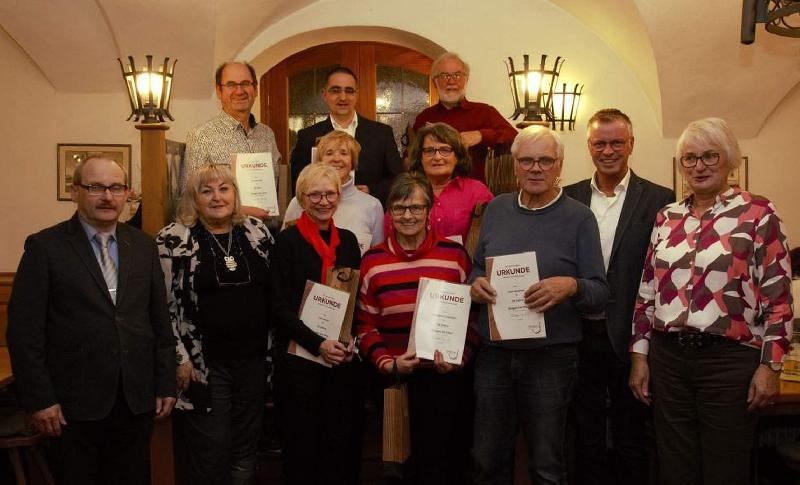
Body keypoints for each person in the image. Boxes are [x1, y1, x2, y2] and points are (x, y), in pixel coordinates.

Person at [629, 117, 793, 485]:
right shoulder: (666, 218)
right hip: (668, 360)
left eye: (710, 156)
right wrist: (639, 357)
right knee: (674, 466)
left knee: (725, 468)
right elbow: (646, 295)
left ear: (730, 160)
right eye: (689, 158)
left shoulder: (758, 214)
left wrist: (771, 367)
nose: (699, 166)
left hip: (729, 363)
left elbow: (779, 300)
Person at [6, 155, 176, 485]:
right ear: (75, 191)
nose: (108, 197)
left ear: (127, 193)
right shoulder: (45, 247)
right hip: (72, 406)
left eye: (116, 188)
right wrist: (41, 399)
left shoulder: (142, 245)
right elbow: (25, 332)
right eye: (96, 187)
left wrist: (164, 381)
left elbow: (159, 320)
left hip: (135, 400)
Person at [469, 125, 609, 484]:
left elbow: (599, 292)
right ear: (514, 165)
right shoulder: (496, 209)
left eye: (545, 160)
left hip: (552, 358)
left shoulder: (579, 217)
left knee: (547, 464)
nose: (536, 168)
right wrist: (475, 285)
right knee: (486, 460)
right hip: (495, 355)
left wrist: (571, 285)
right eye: (527, 160)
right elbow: (474, 268)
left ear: (559, 164)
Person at [563, 108, 674, 484]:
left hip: (630, 337)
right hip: (577, 333)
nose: (608, 150)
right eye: (599, 143)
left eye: (616, 143)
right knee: (585, 436)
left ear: (631, 145)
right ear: (588, 146)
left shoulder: (660, 199)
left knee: (632, 437)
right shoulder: (569, 196)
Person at [356, 172, 478, 484]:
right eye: (399, 208)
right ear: (389, 214)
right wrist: (387, 362)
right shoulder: (372, 261)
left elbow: (472, 319)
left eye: (416, 208)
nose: (408, 215)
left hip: (443, 378)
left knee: (442, 463)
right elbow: (365, 323)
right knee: (398, 467)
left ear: (428, 211)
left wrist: (458, 356)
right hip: (394, 379)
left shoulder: (454, 256)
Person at [155, 164, 274, 485]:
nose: (217, 197)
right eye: (206, 191)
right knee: (212, 448)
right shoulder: (171, 239)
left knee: (246, 448)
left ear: (235, 195)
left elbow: (273, 293)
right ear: (193, 199)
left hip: (253, 360)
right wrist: (179, 357)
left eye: (224, 189)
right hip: (204, 366)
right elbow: (161, 307)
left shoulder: (257, 232)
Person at [271, 163, 362, 484]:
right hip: (299, 362)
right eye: (315, 195)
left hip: (339, 361)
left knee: (339, 446)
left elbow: (355, 300)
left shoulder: (349, 242)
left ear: (340, 196)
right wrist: (317, 343)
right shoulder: (286, 241)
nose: (323, 201)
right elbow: (277, 307)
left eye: (330, 193)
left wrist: (352, 342)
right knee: (302, 448)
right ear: (302, 198)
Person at [289, 66, 403, 204]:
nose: (343, 97)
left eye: (349, 91)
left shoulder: (382, 133)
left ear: (356, 95)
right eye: (335, 90)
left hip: (366, 212)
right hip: (321, 213)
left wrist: (371, 190)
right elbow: (298, 182)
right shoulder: (307, 137)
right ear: (324, 94)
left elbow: (398, 178)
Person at [184, 61, 281, 220]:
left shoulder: (267, 135)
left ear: (255, 90)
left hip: (266, 234)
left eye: (245, 84)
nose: (239, 90)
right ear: (219, 91)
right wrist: (239, 211)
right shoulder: (201, 136)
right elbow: (189, 195)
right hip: (223, 235)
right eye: (231, 85)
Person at [412, 52, 518, 183]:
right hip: (433, 194)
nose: (452, 81)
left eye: (457, 75)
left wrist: (480, 135)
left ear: (466, 80)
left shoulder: (485, 112)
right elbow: (412, 159)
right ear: (434, 81)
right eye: (445, 76)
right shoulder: (424, 117)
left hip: (477, 196)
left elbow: (515, 138)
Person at [284, 130, 384, 252]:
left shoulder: (372, 206)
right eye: (329, 153)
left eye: (344, 153)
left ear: (353, 162)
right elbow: (286, 250)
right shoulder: (300, 202)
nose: (336, 159)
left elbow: (377, 257)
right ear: (319, 160)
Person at [404, 122, 493, 244]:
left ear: (457, 156)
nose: (437, 157)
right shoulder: (405, 191)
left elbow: (494, 236)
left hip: (466, 262)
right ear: (420, 157)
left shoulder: (478, 192)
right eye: (429, 151)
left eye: (445, 150)